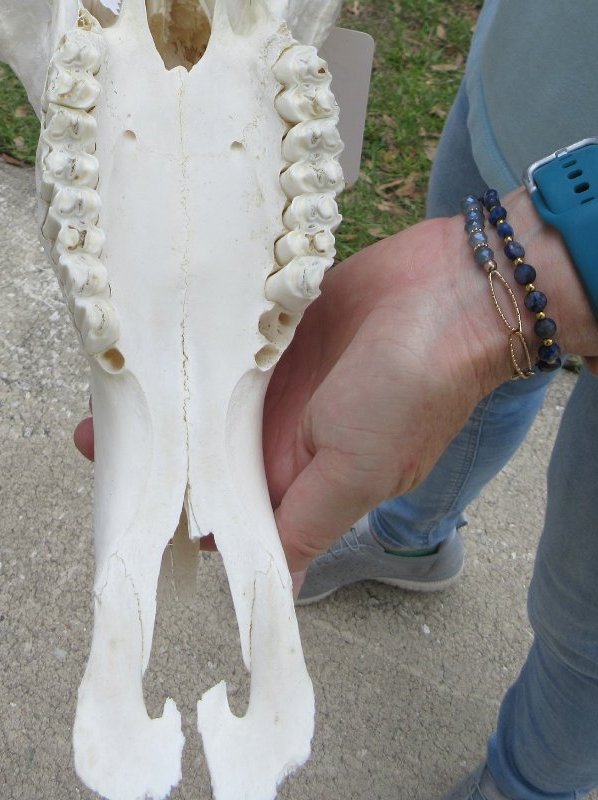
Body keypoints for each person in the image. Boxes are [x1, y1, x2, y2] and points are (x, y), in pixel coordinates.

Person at [75, 2, 598, 796]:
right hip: (519, 87)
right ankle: (413, 539)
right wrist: (500, 276)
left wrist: (547, 262)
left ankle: (529, 784)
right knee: (481, 375)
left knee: (584, 612)